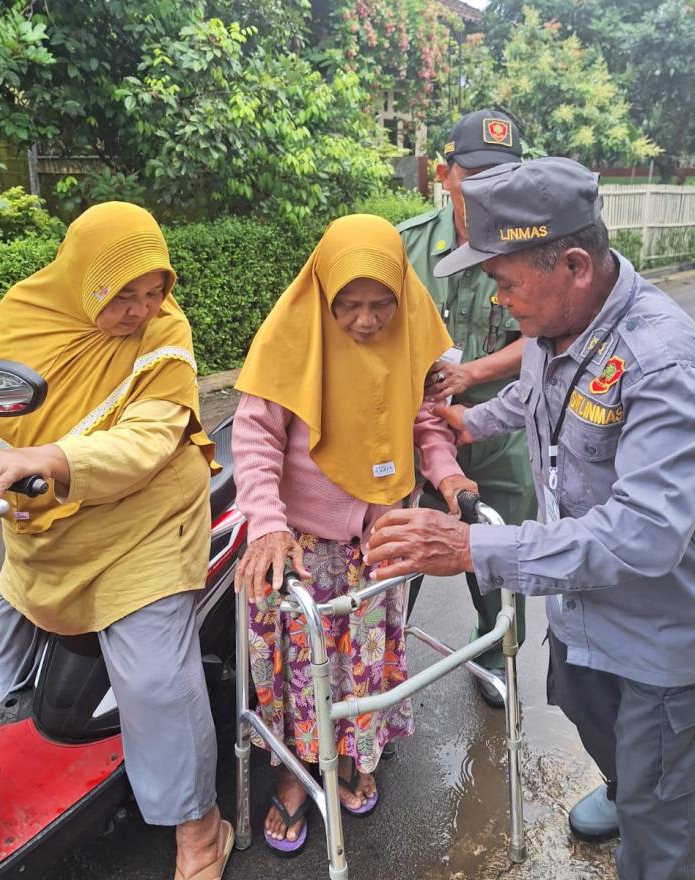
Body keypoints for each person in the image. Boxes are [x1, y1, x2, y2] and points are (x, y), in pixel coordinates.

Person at [366, 158, 695, 879]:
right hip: (583, 611)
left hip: (661, 635)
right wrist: (472, 420)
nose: (499, 299)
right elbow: (538, 395)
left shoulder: (662, 363)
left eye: (506, 282)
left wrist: (474, 547)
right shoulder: (558, 325)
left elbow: (643, 535)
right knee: (591, 716)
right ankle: (628, 786)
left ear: (572, 265)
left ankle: (650, 822)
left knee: (660, 835)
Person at [0, 202, 232, 880]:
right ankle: (30, 740)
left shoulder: (164, 334)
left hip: (141, 526)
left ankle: (201, 830)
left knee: (156, 679)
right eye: (122, 295)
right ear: (81, 280)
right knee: (5, 619)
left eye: (155, 290)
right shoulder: (25, 310)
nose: (142, 309)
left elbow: (148, 439)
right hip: (43, 526)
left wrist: (50, 457)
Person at [231, 214, 476, 855]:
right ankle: (293, 772)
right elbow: (255, 439)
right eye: (349, 305)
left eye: (381, 305)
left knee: (362, 662)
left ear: (402, 296)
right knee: (302, 667)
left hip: (380, 537)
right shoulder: (289, 338)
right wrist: (268, 525)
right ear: (323, 293)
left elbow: (427, 420)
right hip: (304, 546)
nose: (366, 321)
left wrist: (447, 475)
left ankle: (351, 754)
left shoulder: (410, 334)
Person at [397, 109, 536, 708]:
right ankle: (383, 660)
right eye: (473, 174)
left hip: (500, 428)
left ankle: (494, 653)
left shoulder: (532, 246)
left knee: (502, 556)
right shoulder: (403, 245)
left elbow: (545, 337)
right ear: (444, 174)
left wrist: (472, 373)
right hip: (412, 432)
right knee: (399, 549)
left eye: (502, 176)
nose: (487, 189)